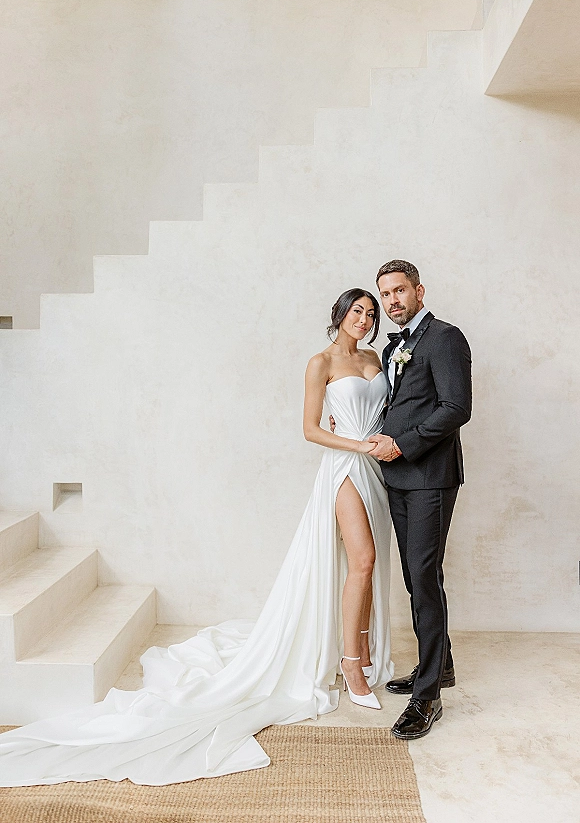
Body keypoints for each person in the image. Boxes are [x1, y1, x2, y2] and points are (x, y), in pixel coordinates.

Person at [0, 289, 393, 787]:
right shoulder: (320, 362)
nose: (365, 318)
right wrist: (360, 443)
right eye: (357, 310)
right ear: (339, 315)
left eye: (371, 313)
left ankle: (357, 649)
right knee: (362, 561)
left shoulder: (376, 358)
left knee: (363, 566)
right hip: (344, 467)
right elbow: (310, 429)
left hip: (377, 470)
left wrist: (381, 441)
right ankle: (351, 665)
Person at [368, 259, 472, 740]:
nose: (392, 301)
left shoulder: (445, 337)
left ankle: (427, 695)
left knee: (424, 577)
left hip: (430, 476)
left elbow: (456, 407)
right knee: (415, 574)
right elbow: (397, 405)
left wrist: (403, 445)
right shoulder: (396, 345)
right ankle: (441, 665)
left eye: (399, 291)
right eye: (385, 294)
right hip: (399, 480)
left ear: (419, 291)